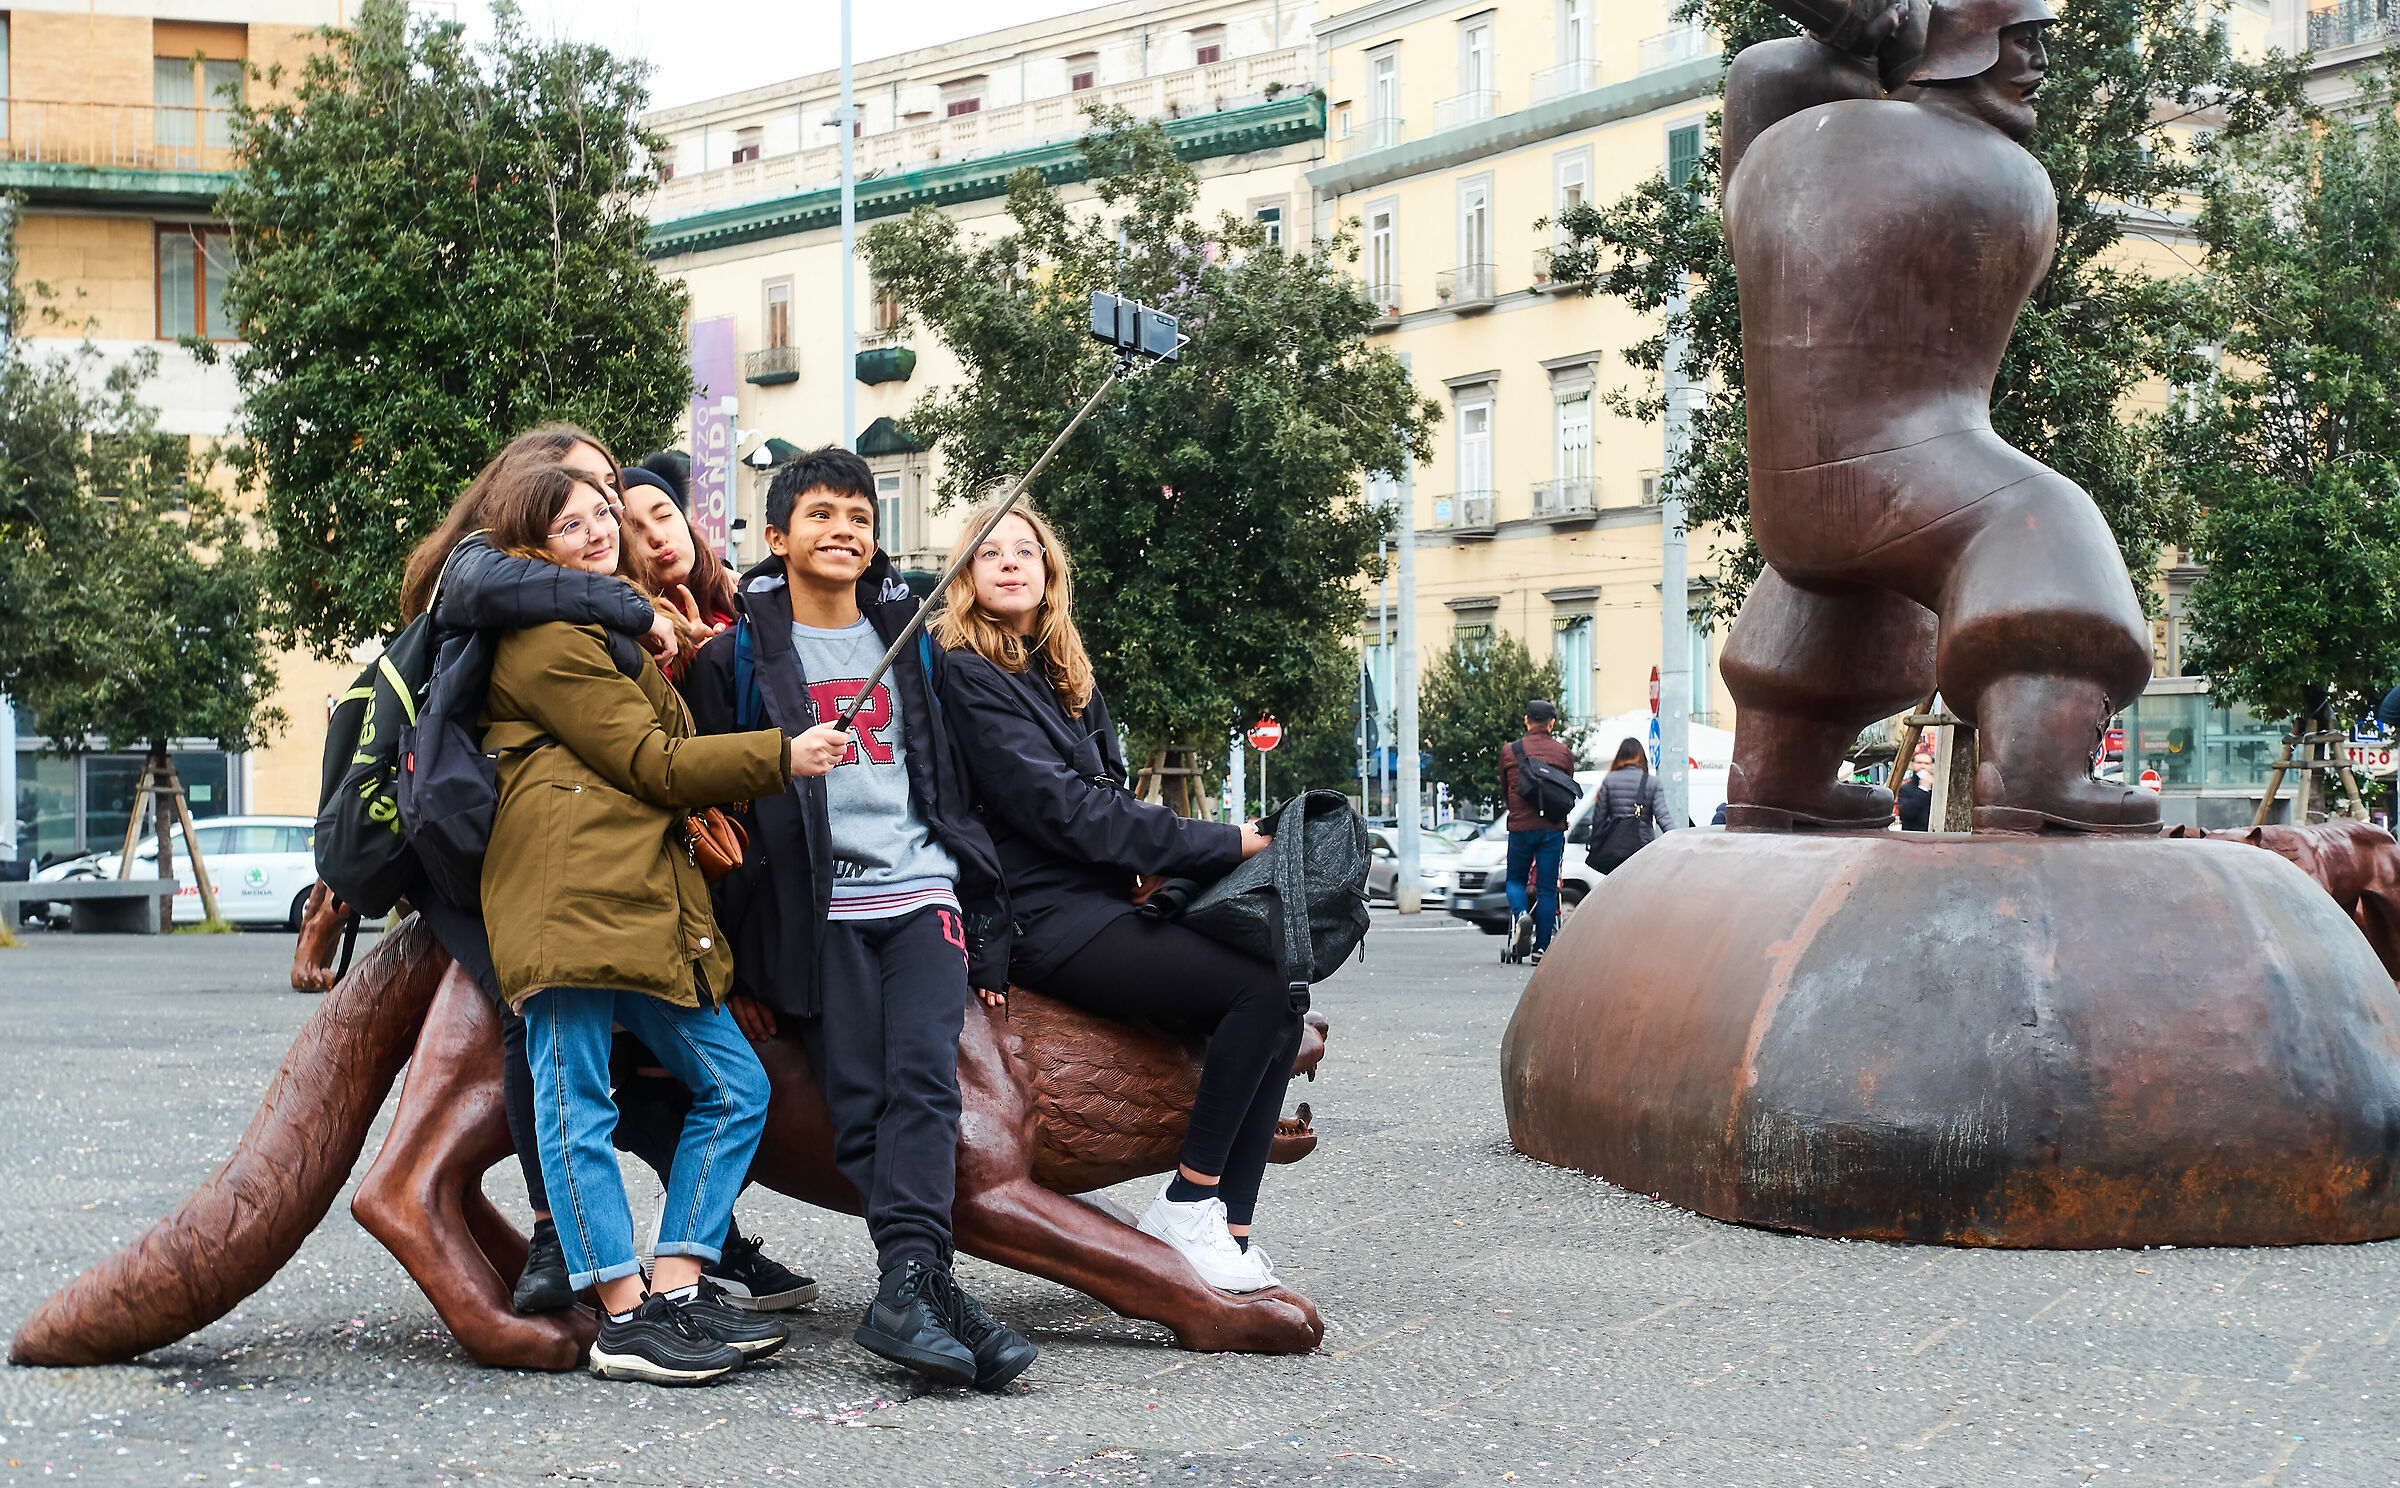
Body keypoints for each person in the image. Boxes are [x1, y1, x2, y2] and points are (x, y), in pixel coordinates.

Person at [413, 427, 813, 1320]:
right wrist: (785, 755)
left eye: (605, 512)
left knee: (736, 1086)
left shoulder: (608, 626)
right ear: (531, 545)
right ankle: (626, 1312)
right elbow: (655, 763)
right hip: (565, 902)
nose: (599, 529)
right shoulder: (548, 633)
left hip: (636, 902)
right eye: (572, 523)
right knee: (575, 1103)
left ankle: (677, 1280)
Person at [686, 447, 1037, 1394]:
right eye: (822, 515)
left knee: (926, 1084)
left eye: (860, 516)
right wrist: (737, 963)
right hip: (817, 907)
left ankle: (914, 1283)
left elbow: (961, 779)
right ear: (776, 538)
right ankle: (920, 1285)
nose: (845, 530)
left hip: (921, 892)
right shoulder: (737, 659)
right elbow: (709, 806)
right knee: (858, 1101)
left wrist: (987, 908)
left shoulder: (916, 637)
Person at [931, 497, 1297, 1297]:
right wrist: (1224, 840)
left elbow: (1110, 794)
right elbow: (1065, 810)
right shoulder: (967, 672)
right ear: (964, 576)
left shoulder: (1062, 672)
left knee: (1285, 993)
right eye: (989, 552)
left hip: (1098, 897)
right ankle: (1188, 1203)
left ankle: (1227, 1226)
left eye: (1025, 550)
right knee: (1255, 989)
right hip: (1040, 913)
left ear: (1050, 571)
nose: (1009, 562)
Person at [619, 465, 740, 671]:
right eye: (634, 529)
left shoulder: (746, 595)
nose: (657, 537)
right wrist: (689, 661)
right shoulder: (630, 636)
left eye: (664, 516)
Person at [1496, 700, 1577, 964]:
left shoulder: (1510, 751)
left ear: (1526, 720)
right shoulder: (1563, 753)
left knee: (1515, 880)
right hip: (1552, 829)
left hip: (1520, 827)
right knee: (1546, 889)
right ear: (1551, 724)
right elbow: (1566, 791)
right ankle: (1541, 948)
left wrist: (1518, 813)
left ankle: (1521, 915)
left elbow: (1505, 790)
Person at [1593, 736, 1672, 866]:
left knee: (1618, 884)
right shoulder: (1652, 782)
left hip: (1615, 847)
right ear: (1641, 757)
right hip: (1643, 846)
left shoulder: (1610, 780)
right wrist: (1678, 839)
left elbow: (1599, 819)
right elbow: (1663, 818)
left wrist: (1595, 843)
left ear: (1620, 757)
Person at [1896, 766, 1934, 831]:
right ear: (1912, 764)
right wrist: (1923, 789)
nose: (1923, 767)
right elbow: (1907, 814)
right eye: (1919, 763)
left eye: (1926, 764)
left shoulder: (1937, 788)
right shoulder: (1906, 789)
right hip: (1914, 835)